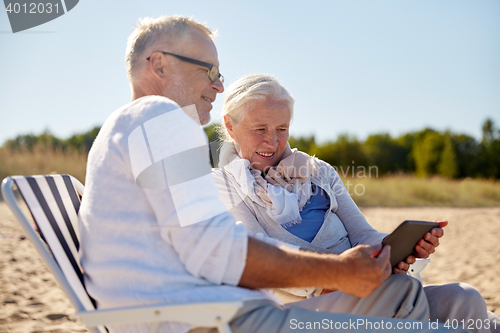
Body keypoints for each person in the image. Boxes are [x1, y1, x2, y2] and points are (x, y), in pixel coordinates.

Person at [78, 16, 469, 333]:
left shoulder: (128, 130)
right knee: (410, 300)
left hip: (212, 314)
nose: (218, 85)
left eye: (220, 73)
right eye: (208, 70)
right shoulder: (159, 118)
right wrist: (339, 272)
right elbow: (219, 251)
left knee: (463, 306)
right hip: (216, 321)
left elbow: (206, 246)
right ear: (159, 64)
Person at [213, 73, 499, 333]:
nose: (272, 141)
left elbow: (363, 234)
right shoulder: (221, 186)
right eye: (260, 129)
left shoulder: (319, 171)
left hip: (363, 286)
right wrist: (338, 275)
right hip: (297, 311)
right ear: (230, 125)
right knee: (402, 290)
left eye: (282, 128)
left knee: (464, 298)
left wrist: (396, 248)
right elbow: (259, 258)